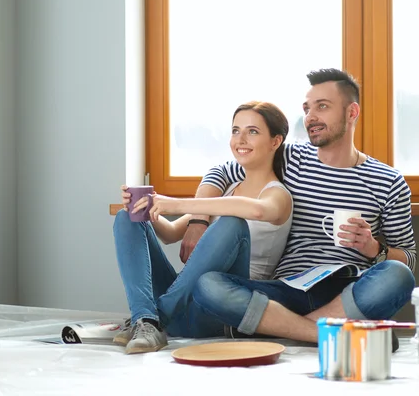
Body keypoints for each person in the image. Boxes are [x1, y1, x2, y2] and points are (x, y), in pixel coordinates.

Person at [187, 68, 417, 352]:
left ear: (352, 112)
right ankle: (323, 333)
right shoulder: (290, 157)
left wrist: (373, 248)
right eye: (307, 108)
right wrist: (197, 221)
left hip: (346, 289)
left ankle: (279, 330)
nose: (311, 117)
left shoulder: (388, 181)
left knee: (397, 275)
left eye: (322, 106)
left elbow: (407, 258)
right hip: (285, 289)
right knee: (208, 285)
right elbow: (220, 171)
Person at [112, 101, 293, 354]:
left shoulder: (278, 195)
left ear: (275, 141)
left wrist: (175, 203)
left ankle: (152, 317)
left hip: (220, 306)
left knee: (232, 222)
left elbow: (257, 210)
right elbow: (171, 233)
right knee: (126, 217)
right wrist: (147, 208)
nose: (240, 139)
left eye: (252, 131)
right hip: (183, 305)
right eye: (235, 130)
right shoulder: (229, 191)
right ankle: (147, 320)